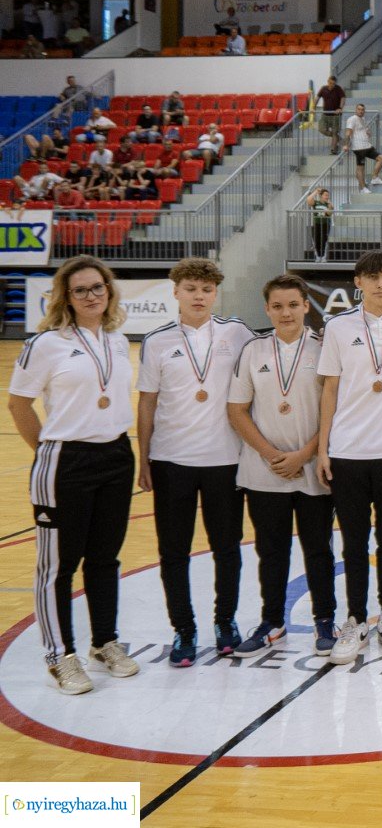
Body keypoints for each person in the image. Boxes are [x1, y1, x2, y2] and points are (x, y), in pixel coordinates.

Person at [9, 257, 140, 694]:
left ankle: (103, 643)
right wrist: (49, 452)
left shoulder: (117, 340)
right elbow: (18, 404)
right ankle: (59, 656)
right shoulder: (46, 344)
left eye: (97, 287)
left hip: (116, 455)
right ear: (66, 296)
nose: (91, 295)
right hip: (66, 459)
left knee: (104, 558)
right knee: (58, 567)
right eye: (80, 289)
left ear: (109, 291)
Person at [136, 259, 256, 665]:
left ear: (216, 293)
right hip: (171, 460)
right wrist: (144, 457)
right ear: (175, 292)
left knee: (227, 548)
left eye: (206, 289)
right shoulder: (156, 341)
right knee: (174, 551)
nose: (199, 296)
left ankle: (225, 622)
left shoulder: (237, 333)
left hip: (226, 460)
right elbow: (147, 402)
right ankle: (183, 629)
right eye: (190, 289)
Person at [316, 250, 382, 666]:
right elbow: (329, 389)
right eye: (372, 277)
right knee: (354, 542)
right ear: (357, 282)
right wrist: (324, 448)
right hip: (348, 451)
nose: (380, 283)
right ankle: (356, 619)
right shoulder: (338, 327)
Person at [225, 275, 336, 658]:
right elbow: (236, 410)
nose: (285, 312)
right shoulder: (253, 350)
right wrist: (272, 455)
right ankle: (272, 621)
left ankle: (325, 620)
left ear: (306, 306)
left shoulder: (324, 348)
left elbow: (335, 410)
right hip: (264, 471)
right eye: (277, 306)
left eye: (292, 305)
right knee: (271, 552)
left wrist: (304, 454)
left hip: (312, 468)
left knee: (318, 550)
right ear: (267, 309)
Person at [342, 103, 382, 194]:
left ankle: (374, 178)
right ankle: (362, 188)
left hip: (367, 145)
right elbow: (348, 133)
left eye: (362, 110)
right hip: (359, 147)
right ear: (356, 110)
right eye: (359, 109)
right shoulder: (352, 119)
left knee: (381, 158)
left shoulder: (363, 119)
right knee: (360, 168)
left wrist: (367, 132)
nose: (361, 111)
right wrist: (346, 145)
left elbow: (363, 129)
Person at [307, 187, 333, 261]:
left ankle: (323, 256)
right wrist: (316, 192)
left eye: (328, 195)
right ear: (321, 196)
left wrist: (329, 206)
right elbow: (309, 200)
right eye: (325, 195)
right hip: (316, 224)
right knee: (316, 240)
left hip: (325, 224)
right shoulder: (316, 203)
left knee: (324, 240)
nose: (327, 197)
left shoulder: (328, 204)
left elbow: (329, 213)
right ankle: (318, 256)